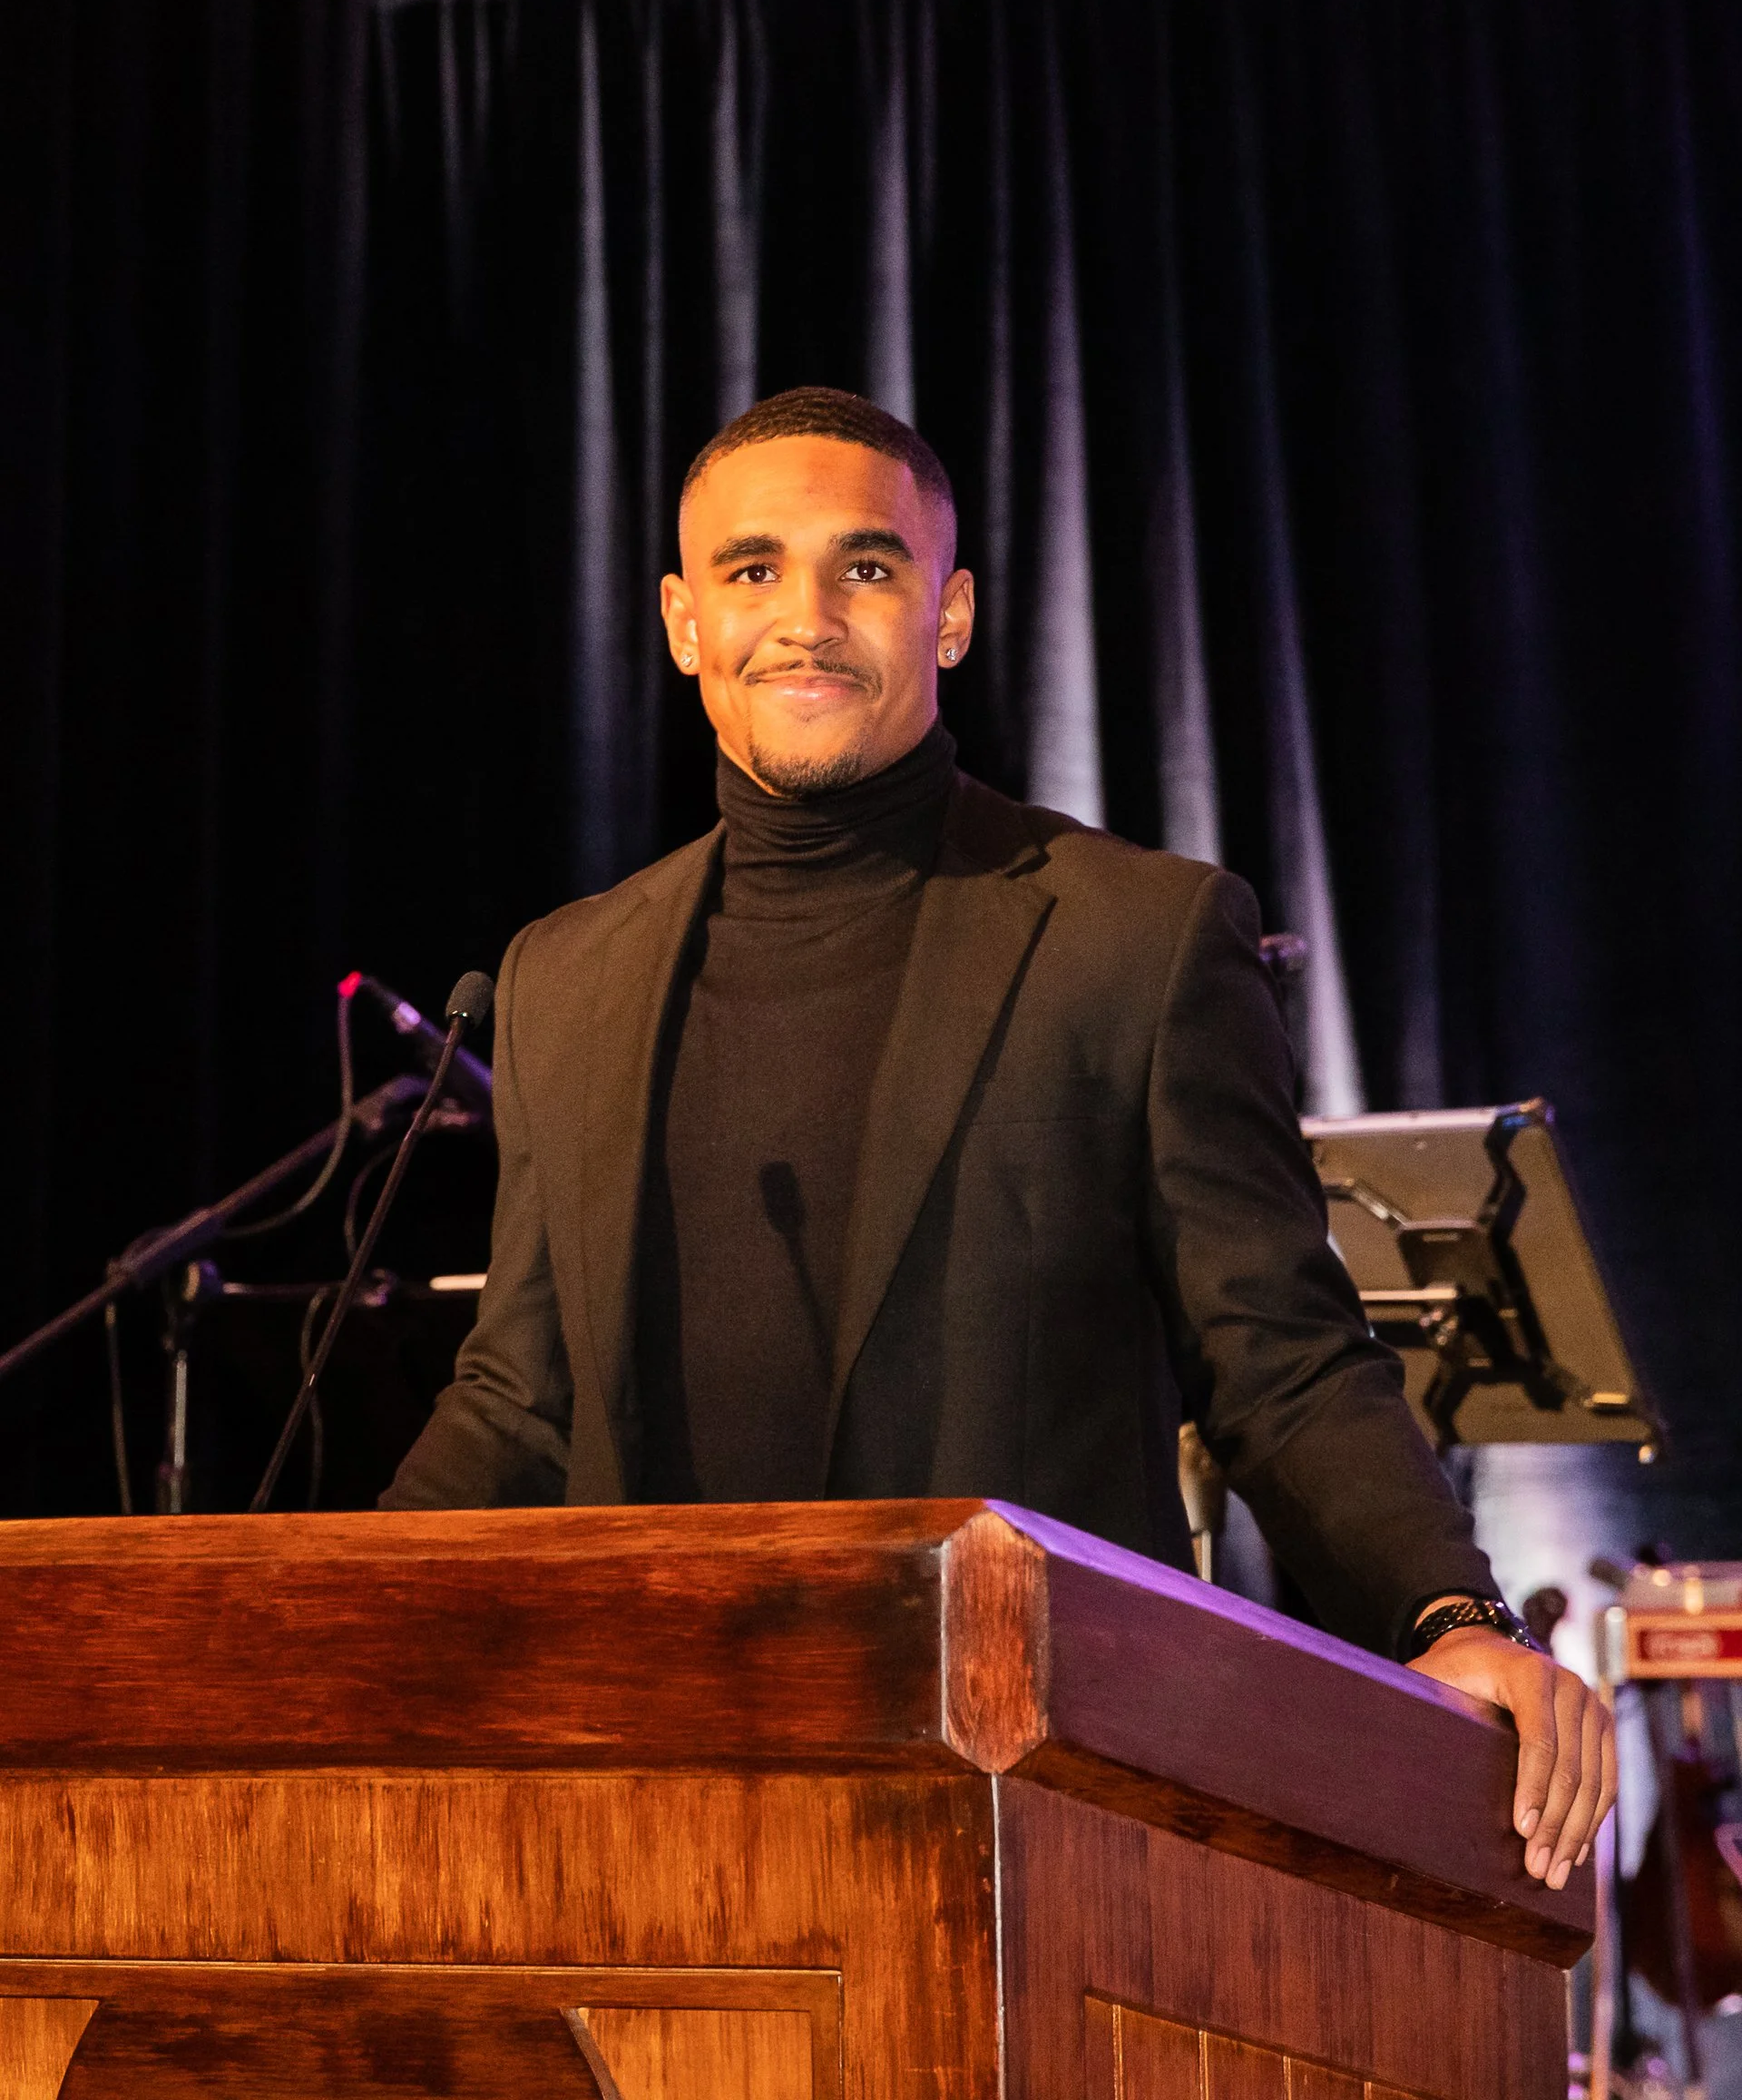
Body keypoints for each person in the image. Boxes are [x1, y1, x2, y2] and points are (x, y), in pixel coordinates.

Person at [384, 386, 1615, 1889]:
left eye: (869, 566)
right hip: (656, 1797)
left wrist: (1453, 1620)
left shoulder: (1137, 939)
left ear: (948, 614)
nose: (809, 615)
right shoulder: (565, 974)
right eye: (754, 570)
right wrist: (322, 1626)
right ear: (683, 623)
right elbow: (519, 1398)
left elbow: (1280, 1364)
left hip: (1027, 1806)